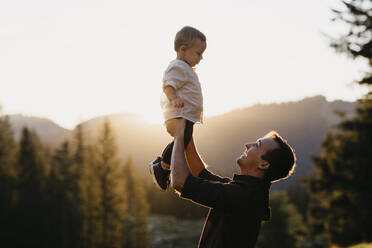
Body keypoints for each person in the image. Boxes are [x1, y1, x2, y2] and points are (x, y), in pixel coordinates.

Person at [166, 118, 297, 248]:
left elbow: (180, 182)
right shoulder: (244, 191)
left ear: (264, 164)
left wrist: (179, 134)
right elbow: (199, 173)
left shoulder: (242, 196)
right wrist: (187, 127)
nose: (247, 145)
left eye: (257, 145)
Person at [149, 26, 207, 190]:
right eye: (198, 53)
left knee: (183, 141)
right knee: (183, 139)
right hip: (178, 114)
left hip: (185, 115)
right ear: (183, 49)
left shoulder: (186, 68)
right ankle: (162, 166)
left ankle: (166, 167)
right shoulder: (178, 66)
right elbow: (168, 85)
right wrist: (173, 98)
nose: (201, 57)